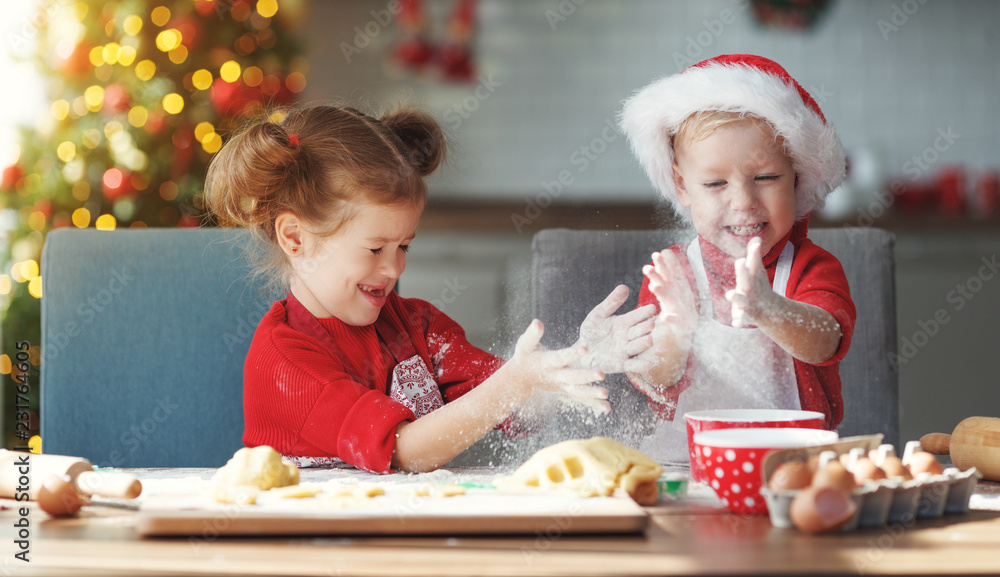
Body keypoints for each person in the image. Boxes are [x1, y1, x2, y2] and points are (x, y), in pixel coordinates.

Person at [204, 104, 656, 474]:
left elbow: (513, 407)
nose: (394, 266)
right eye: (376, 247)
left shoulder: (416, 325)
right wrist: (513, 383)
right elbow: (406, 450)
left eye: (403, 245)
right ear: (296, 238)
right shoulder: (286, 362)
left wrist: (572, 365)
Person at [618, 54, 857, 463]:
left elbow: (824, 343)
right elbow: (656, 376)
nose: (743, 203)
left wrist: (771, 310)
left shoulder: (810, 268)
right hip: (685, 466)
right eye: (714, 183)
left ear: (796, 177)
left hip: (792, 470)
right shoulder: (673, 274)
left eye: (765, 178)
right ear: (682, 185)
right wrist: (675, 329)